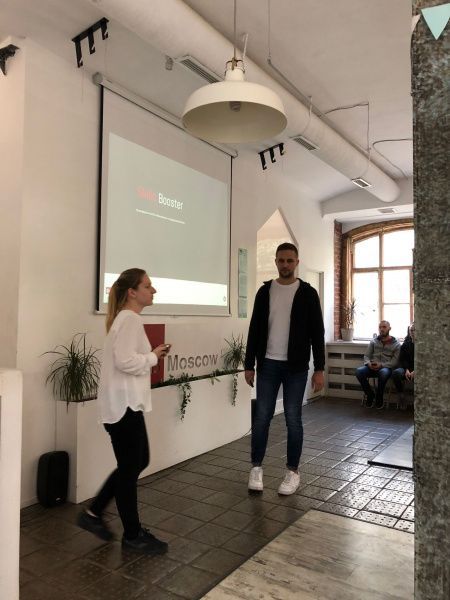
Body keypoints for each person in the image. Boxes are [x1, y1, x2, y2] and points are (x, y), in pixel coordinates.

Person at [77, 268, 171, 555]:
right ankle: (131, 534)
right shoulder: (129, 319)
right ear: (132, 292)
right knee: (132, 467)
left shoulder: (126, 319)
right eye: (147, 286)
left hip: (124, 404)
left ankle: (94, 513)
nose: (153, 290)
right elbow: (125, 361)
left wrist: (152, 355)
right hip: (123, 406)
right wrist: (153, 356)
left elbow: (125, 359)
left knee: (137, 462)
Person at [244, 243, 325, 496]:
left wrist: (320, 368)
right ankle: (256, 468)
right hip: (267, 364)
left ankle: (292, 471)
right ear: (276, 261)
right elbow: (254, 329)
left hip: (296, 367)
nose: (285, 264)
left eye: (290, 260)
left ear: (297, 262)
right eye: (281, 260)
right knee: (262, 418)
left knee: (293, 419)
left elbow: (317, 332)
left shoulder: (308, 293)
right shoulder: (265, 291)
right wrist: (248, 364)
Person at [355, 320, 401, 410]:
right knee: (358, 372)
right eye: (380, 327)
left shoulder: (396, 344)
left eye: (384, 327)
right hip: (372, 366)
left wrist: (381, 365)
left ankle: (379, 397)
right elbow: (366, 356)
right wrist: (368, 364)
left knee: (383, 373)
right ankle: (370, 395)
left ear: (389, 328)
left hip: (386, 368)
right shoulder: (374, 341)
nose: (381, 329)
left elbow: (394, 362)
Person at [392, 322, 415, 409]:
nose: (412, 332)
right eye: (411, 330)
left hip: (419, 369)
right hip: (406, 368)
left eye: (415, 330)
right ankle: (401, 395)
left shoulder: (424, 344)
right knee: (396, 373)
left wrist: (415, 371)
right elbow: (402, 359)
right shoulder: (406, 344)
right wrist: (406, 370)